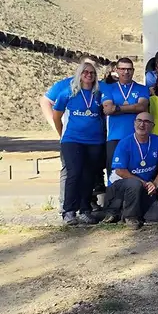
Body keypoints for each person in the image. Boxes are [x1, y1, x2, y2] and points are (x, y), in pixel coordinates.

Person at [53, 62, 105, 225]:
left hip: (95, 141)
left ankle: (85, 210)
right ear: (79, 74)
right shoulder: (68, 92)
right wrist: (62, 134)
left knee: (88, 176)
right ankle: (68, 211)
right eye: (85, 72)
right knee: (74, 173)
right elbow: (56, 115)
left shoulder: (99, 93)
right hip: (73, 140)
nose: (89, 75)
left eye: (92, 73)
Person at [102, 112, 158, 229]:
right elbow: (120, 171)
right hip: (121, 185)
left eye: (146, 122)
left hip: (145, 186)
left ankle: (122, 211)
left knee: (156, 216)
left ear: (152, 126)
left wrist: (155, 183)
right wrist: (143, 183)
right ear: (134, 124)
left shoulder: (157, 140)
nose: (142, 124)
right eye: (139, 121)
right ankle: (130, 217)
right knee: (134, 184)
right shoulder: (125, 142)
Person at [101, 57, 150, 175]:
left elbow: (142, 107)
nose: (126, 72)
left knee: (135, 172)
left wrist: (117, 108)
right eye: (122, 69)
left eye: (129, 69)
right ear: (116, 70)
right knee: (113, 174)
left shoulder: (142, 88)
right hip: (114, 137)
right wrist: (132, 108)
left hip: (136, 137)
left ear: (133, 71)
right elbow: (107, 109)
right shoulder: (109, 88)